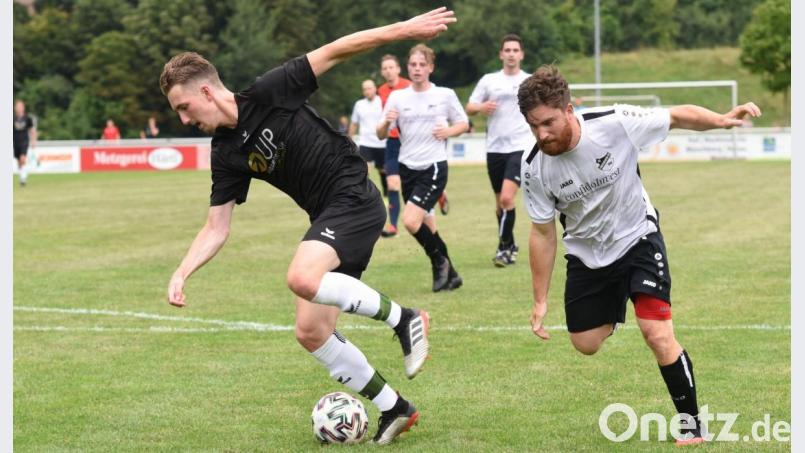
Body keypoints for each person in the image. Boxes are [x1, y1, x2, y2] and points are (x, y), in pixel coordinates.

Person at [160, 7, 457, 445]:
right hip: (328, 218)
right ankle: (395, 408)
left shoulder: (269, 91)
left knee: (301, 277)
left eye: (184, 108)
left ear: (205, 90)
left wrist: (404, 30)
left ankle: (405, 319)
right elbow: (216, 227)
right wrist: (182, 271)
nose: (185, 120)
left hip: (353, 195)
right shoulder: (225, 152)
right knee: (312, 331)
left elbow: (338, 49)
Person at [518, 65, 762, 446]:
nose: (542, 134)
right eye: (534, 126)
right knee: (585, 343)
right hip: (587, 255)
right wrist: (539, 299)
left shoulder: (614, 123)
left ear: (568, 110)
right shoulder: (534, 166)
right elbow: (543, 232)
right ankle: (616, 306)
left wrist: (721, 119)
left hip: (638, 238)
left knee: (657, 333)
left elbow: (676, 116)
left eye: (548, 123)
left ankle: (692, 425)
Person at [377, 43, 468, 292]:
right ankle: (452, 275)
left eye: (422, 64)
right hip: (407, 168)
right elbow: (380, 133)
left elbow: (463, 123)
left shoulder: (444, 95)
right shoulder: (398, 97)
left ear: (430, 68)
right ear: (407, 67)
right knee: (428, 226)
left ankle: (439, 262)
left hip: (433, 167)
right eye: (413, 64)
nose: (417, 69)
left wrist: (448, 131)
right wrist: (386, 122)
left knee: (410, 221)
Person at [466, 33, 535, 268]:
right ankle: (511, 244)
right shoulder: (489, 80)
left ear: (521, 54)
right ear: (501, 54)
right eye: (507, 50)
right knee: (500, 204)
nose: (511, 54)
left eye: (515, 50)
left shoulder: (529, 81)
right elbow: (470, 107)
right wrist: (481, 107)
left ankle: (503, 249)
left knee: (507, 198)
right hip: (495, 148)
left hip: (520, 147)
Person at [376, 55, 409, 238]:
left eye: (391, 67)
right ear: (382, 72)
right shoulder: (381, 90)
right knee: (392, 183)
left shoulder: (409, 86)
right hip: (392, 141)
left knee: (412, 182)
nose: (388, 71)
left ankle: (439, 193)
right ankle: (393, 226)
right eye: (385, 68)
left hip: (410, 141)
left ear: (398, 69)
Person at [348, 79, 388, 200]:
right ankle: (365, 198)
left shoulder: (383, 102)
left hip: (382, 143)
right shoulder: (359, 104)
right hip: (365, 143)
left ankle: (386, 194)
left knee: (383, 171)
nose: (367, 91)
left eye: (369, 88)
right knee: (364, 170)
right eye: (364, 89)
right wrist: (349, 140)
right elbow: (354, 123)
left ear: (375, 88)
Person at [13, 100, 37, 187]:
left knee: (23, 158)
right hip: (15, 142)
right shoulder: (13, 118)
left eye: (20, 106)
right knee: (19, 161)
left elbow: (32, 130)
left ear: (23, 108)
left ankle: (23, 179)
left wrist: (33, 141)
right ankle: (22, 176)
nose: (19, 108)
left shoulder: (27, 118)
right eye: (17, 106)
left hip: (24, 141)